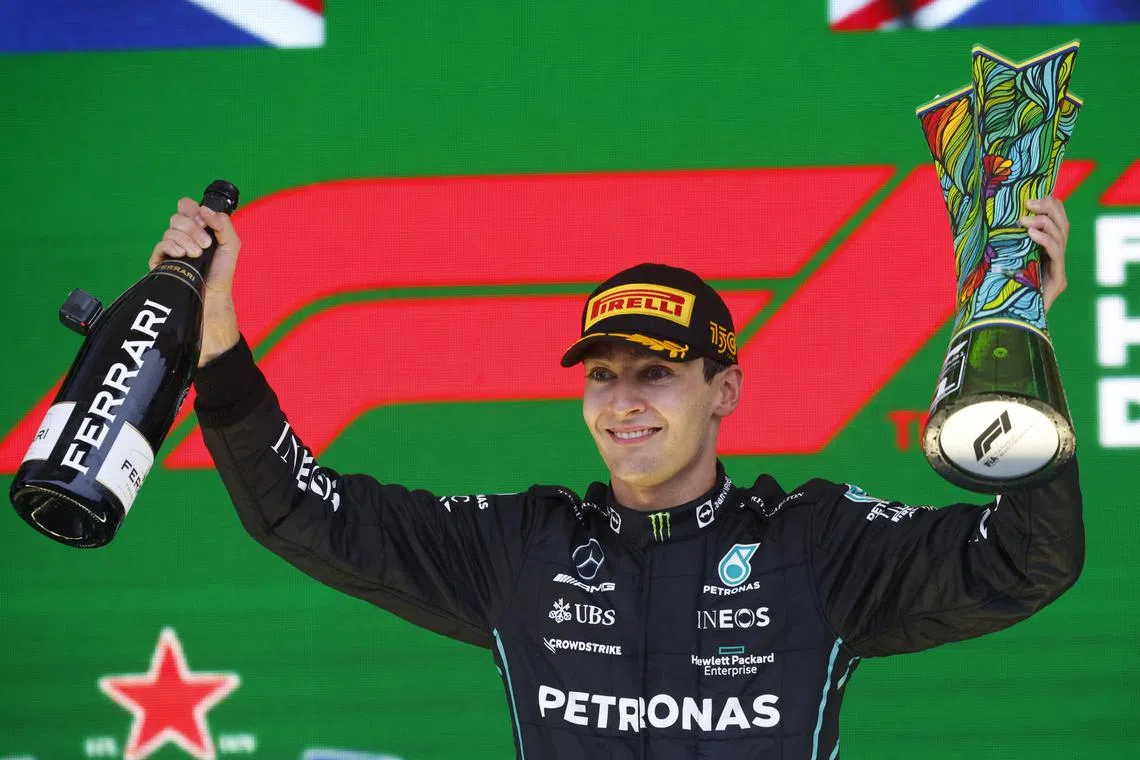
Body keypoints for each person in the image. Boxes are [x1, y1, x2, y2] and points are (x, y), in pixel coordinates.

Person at [153, 195, 1082, 759]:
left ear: (726, 391)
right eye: (602, 374)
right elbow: (298, 513)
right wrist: (215, 339)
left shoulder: (814, 546)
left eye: (658, 372)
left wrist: (1017, 339)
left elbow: (1022, 563)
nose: (623, 401)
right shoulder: (523, 550)